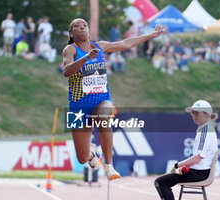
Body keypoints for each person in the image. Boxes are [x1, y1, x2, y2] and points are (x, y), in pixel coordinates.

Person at [62, 18, 165, 180]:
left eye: (85, 26)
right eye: (77, 26)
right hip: (78, 106)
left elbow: (126, 43)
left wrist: (150, 35)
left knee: (104, 116)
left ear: (89, 31)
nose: (82, 28)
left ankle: (109, 165)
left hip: (101, 100)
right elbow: (67, 71)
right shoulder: (70, 50)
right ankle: (91, 153)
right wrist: (85, 58)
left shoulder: (100, 46)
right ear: (72, 33)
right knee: (82, 158)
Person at [154, 100, 218, 200]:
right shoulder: (205, 129)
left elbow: (197, 158)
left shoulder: (205, 131)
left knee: (160, 182)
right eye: (192, 113)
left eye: (196, 113)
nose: (193, 115)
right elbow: (196, 158)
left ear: (206, 114)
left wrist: (177, 166)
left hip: (200, 173)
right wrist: (182, 166)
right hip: (199, 171)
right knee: (164, 181)